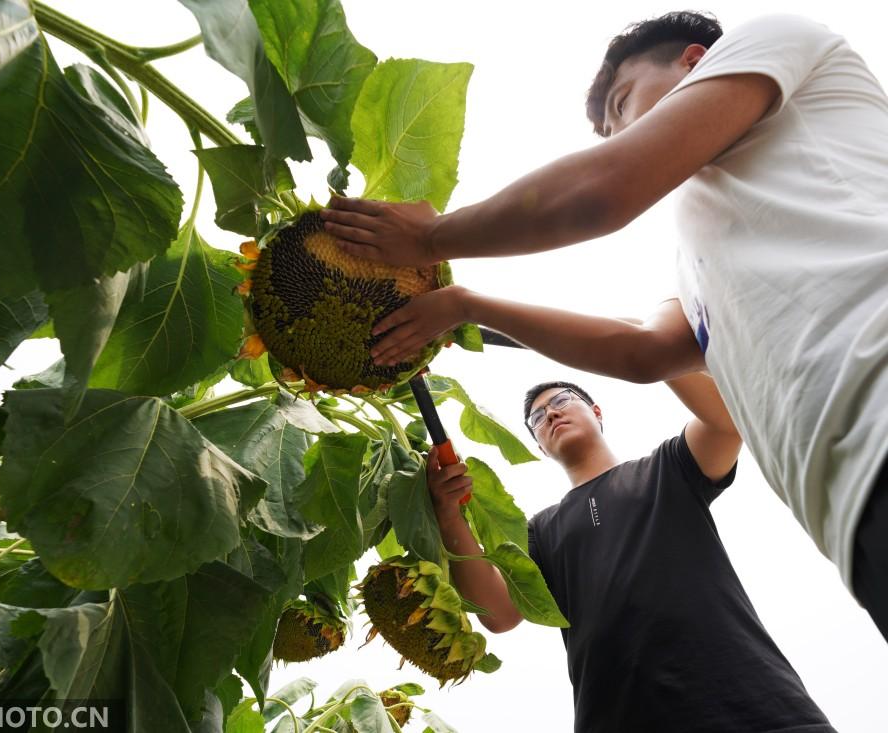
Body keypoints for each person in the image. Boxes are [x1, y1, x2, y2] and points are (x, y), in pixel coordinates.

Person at [321, 11, 888, 639]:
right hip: (849, 505)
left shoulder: (774, 40)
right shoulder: (698, 266)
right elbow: (644, 353)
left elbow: (605, 188)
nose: (621, 136)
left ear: (696, 63)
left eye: (623, 106)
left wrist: (431, 239)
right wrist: (465, 306)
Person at [429, 369, 836, 731]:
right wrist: (449, 516)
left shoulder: (666, 468)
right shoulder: (538, 531)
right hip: (619, 717)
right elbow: (499, 613)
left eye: (562, 401)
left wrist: (649, 354)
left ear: (597, 412)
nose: (550, 414)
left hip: (749, 701)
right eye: (537, 418)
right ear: (538, 446)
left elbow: (727, 422)